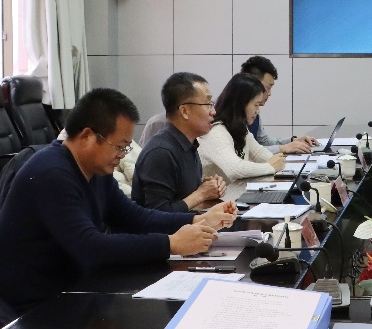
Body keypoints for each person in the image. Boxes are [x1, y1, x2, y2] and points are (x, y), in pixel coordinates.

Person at [0, 88, 237, 313]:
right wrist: (171, 243)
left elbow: (134, 217)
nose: (122, 155)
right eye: (119, 146)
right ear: (87, 136)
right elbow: (90, 247)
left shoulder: (96, 171)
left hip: (71, 286)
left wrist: (197, 219)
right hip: (30, 303)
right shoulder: (51, 173)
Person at [131, 72, 227, 212]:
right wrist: (201, 194)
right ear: (184, 111)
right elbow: (158, 215)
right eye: (208, 104)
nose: (213, 111)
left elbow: (181, 197)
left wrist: (209, 188)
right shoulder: (161, 152)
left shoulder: (189, 145)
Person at [198, 73, 288, 202]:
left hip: (230, 199)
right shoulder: (216, 132)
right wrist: (270, 166)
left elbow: (259, 154)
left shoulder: (239, 127)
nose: (258, 111)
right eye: (256, 105)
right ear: (241, 104)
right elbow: (235, 169)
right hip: (209, 205)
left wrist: (281, 163)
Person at [240, 56, 315, 154]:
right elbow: (244, 153)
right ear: (251, 84)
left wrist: (293, 141)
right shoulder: (229, 117)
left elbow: (263, 143)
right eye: (267, 88)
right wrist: (283, 148)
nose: (269, 93)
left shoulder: (253, 112)